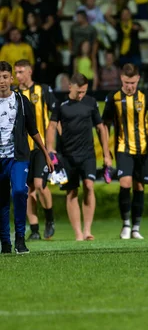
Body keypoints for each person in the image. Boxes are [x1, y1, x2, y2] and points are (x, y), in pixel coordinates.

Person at [46, 73, 112, 241]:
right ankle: (78, 234)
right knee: (72, 192)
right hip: (67, 156)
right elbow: (52, 127)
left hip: (88, 155)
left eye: (84, 92)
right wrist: (50, 149)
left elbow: (100, 128)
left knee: (89, 186)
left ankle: (87, 230)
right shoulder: (61, 105)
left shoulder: (91, 103)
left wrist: (106, 154)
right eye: (78, 92)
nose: (81, 95)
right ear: (70, 87)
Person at [0, 61, 54, 255]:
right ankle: (5, 242)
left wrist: (47, 153)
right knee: (2, 201)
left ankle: (21, 239)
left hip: (18, 157)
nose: (2, 81)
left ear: (11, 79)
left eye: (5, 77)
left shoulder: (21, 101)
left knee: (20, 192)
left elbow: (33, 130)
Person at [102, 63, 148, 240]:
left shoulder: (147, 96)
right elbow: (105, 125)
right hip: (123, 148)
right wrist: (105, 151)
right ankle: (125, 224)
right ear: (121, 79)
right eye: (126, 82)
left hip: (143, 150)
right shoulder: (113, 97)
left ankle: (136, 227)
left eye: (133, 82)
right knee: (125, 183)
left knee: (139, 186)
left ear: (138, 79)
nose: (130, 86)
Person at [14, 60, 57, 241]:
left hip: (41, 148)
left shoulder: (43, 90)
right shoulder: (14, 95)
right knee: (27, 189)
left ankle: (49, 219)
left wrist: (52, 146)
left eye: (21, 72)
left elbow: (54, 118)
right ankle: (35, 229)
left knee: (40, 185)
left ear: (30, 71)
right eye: (15, 73)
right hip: (23, 149)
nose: (18, 76)